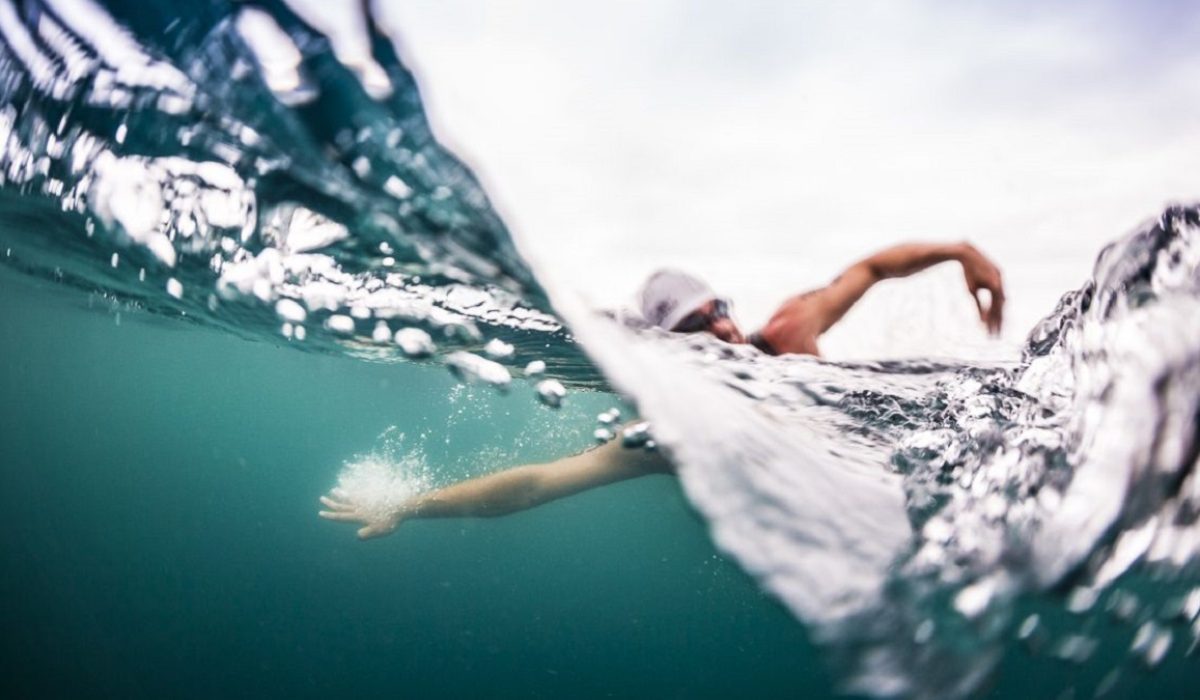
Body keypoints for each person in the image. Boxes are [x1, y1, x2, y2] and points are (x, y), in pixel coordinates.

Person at [320, 240, 1005, 539]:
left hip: (921, 443)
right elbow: (534, 485)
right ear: (667, 346)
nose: (725, 328)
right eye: (696, 324)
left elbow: (873, 267)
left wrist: (959, 252)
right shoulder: (669, 438)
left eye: (720, 307)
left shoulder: (791, 332)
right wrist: (414, 506)